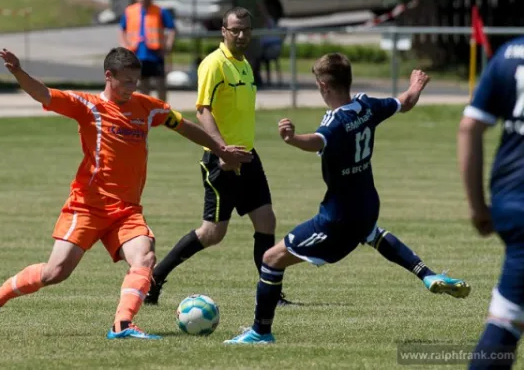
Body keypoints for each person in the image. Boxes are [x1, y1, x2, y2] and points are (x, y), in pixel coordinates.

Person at [0, 47, 252, 340]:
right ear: (108, 76)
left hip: (127, 210)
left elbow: (182, 125)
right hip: (88, 206)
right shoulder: (88, 106)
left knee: (144, 258)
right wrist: (18, 72)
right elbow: (44, 94)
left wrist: (220, 149)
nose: (132, 87)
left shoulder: (146, 107)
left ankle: (122, 324)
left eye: (135, 81)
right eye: (126, 81)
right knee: (56, 272)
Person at [224, 53, 471, 344]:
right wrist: (416, 84)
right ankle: (426, 274)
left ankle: (260, 332)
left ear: (325, 86)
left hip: (336, 218)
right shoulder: (367, 105)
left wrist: (291, 138)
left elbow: (318, 140)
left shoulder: (336, 122)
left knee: (271, 260)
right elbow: (404, 101)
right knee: (372, 233)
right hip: (366, 205)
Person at [145, 7, 294, 307]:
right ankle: (155, 277)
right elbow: (202, 110)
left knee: (266, 221)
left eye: (246, 30)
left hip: (248, 155)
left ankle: (272, 295)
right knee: (212, 233)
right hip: (221, 159)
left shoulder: (245, 65)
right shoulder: (214, 64)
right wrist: (221, 150)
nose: (241, 35)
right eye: (235, 30)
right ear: (223, 31)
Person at [459, 37, 524, 369]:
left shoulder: (509, 55)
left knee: (506, 322)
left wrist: (478, 207)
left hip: (511, 203)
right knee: (504, 324)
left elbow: (469, 127)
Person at [119, 0, 175, 102]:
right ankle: (146, 107)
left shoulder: (159, 11)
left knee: (160, 82)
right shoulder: (130, 11)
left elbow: (171, 28)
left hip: (155, 52)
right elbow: (122, 29)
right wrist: (125, 44)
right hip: (137, 52)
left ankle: (163, 107)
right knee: (143, 82)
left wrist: (168, 45)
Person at [235, 0, 269, 88]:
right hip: (253, 25)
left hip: (241, 24)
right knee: (253, 55)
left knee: (243, 54)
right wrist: (267, 19)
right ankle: (250, 79)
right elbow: (259, 5)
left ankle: (242, 79)